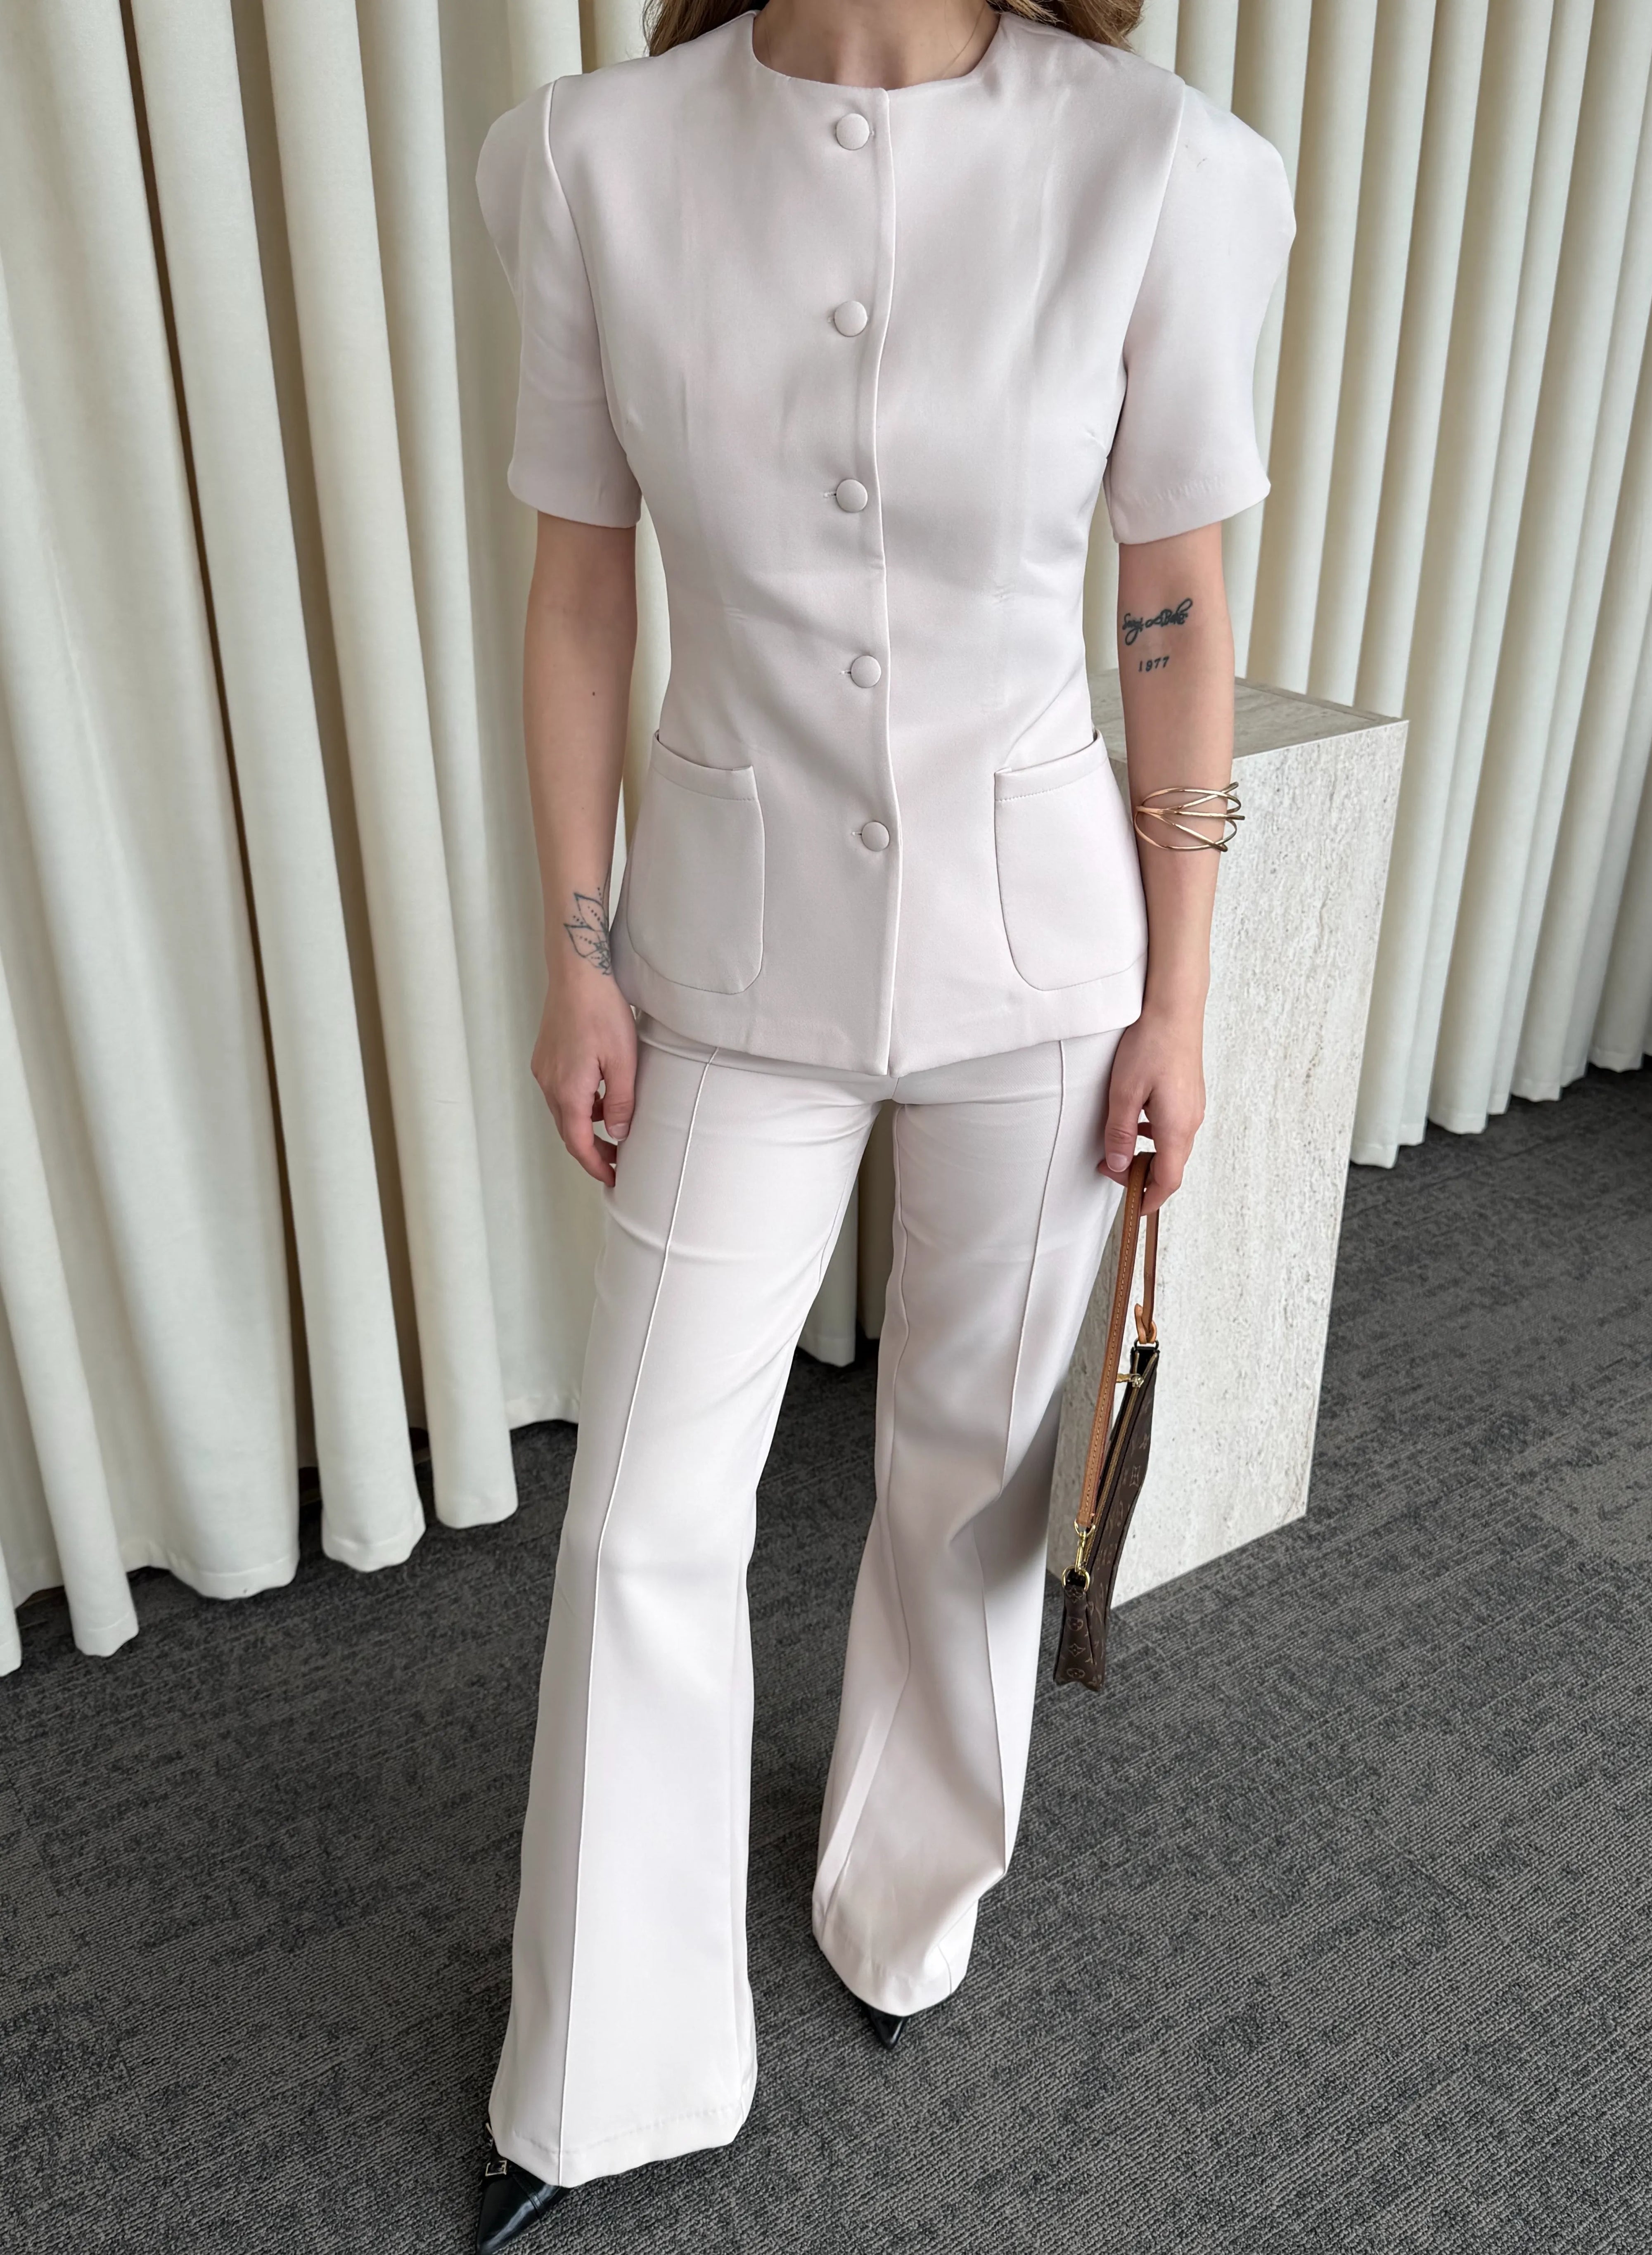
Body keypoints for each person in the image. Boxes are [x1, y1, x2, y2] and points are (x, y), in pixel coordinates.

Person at [470, 0, 1292, 2242]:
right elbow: (578, 586)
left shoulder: (1157, 163)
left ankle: (902, 1893)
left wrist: (1181, 996)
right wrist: (575, 946)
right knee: (642, 1511)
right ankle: (610, 2066)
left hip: (1047, 958)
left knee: (969, 1466)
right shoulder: (594, 159)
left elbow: (1173, 604)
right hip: (729, 955)